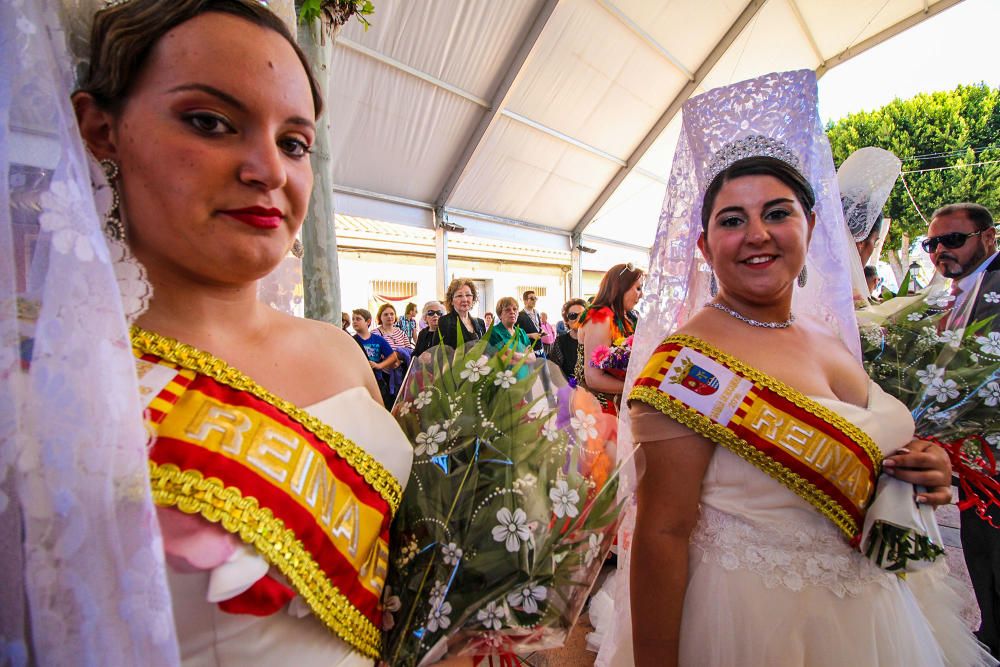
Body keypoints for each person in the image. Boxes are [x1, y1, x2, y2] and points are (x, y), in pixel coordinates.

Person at [597, 71, 992, 667]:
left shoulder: (826, 334)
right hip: (748, 622)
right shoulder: (687, 364)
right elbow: (662, 535)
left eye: (777, 213)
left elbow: (864, 443)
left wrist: (922, 465)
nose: (757, 234)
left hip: (874, 615)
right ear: (704, 246)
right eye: (732, 220)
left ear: (811, 225)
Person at [71, 2, 414, 663]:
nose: (269, 171)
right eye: (210, 122)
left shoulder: (339, 350)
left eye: (294, 143)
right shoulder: (49, 387)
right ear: (101, 129)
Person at [925, 202, 1000, 656]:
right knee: (982, 553)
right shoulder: (956, 293)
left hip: (992, 455)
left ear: (988, 238)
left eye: (953, 240)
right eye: (932, 243)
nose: (939, 252)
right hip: (975, 464)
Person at [575, 264, 643, 415]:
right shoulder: (600, 318)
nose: (642, 294)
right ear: (621, 287)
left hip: (619, 403)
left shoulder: (627, 316)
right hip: (599, 408)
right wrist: (637, 387)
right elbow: (593, 379)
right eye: (638, 288)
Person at [353, 309, 400, 408]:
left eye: (358, 319)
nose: (354, 321)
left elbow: (393, 356)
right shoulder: (351, 340)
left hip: (376, 380)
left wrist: (379, 365)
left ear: (368, 321)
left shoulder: (378, 339)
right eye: (353, 319)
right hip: (358, 382)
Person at [438, 279, 487, 349]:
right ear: (451, 300)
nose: (464, 299)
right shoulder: (445, 321)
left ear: (473, 298)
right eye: (459, 296)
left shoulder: (480, 322)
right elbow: (438, 352)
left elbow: (485, 348)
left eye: (468, 295)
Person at [549, 299, 586, 381]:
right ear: (567, 321)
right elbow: (554, 372)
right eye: (573, 315)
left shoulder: (595, 340)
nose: (579, 319)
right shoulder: (561, 341)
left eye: (583, 315)